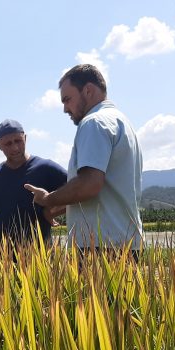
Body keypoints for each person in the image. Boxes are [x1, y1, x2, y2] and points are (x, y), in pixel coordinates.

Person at [24, 64, 143, 253]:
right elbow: (104, 189)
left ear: (88, 91)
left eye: (67, 99)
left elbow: (89, 184)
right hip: (126, 243)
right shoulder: (122, 122)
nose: (65, 109)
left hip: (98, 246)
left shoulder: (94, 122)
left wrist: (48, 199)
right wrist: (59, 206)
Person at [0, 119, 67, 246]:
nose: (15, 147)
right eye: (8, 144)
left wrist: (51, 211)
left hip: (41, 256)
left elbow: (79, 191)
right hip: (2, 257)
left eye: (18, 141)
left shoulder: (46, 168)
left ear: (25, 138)